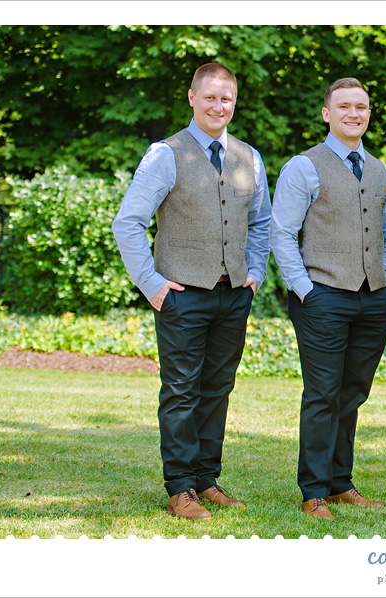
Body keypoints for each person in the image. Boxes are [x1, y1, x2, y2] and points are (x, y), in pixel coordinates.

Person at [112, 63, 271, 520]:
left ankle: (206, 480)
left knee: (218, 389)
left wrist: (254, 273)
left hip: (233, 294)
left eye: (227, 99)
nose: (219, 106)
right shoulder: (166, 154)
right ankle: (180, 488)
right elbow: (128, 223)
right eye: (210, 97)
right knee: (180, 392)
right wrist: (153, 285)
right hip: (182, 294)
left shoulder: (250, 158)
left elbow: (260, 223)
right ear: (191, 98)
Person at [270, 77, 386, 520]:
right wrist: (305, 289)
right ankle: (314, 490)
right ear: (327, 113)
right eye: (343, 106)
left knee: (353, 393)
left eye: (361, 107)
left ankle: (341, 482)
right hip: (321, 297)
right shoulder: (303, 167)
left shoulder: (382, 170)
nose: (354, 114)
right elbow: (281, 233)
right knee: (323, 393)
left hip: (373, 298)